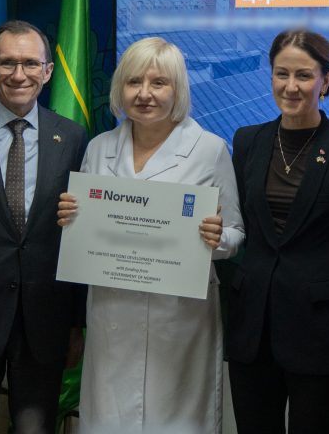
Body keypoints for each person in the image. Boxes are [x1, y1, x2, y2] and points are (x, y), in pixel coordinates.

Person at [57, 36, 244, 434]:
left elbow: (235, 234)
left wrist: (217, 240)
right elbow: (85, 232)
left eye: (159, 83)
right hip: (112, 314)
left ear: (178, 89)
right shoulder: (98, 148)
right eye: (133, 82)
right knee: (109, 420)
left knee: (177, 419)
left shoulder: (209, 149)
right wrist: (72, 218)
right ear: (119, 88)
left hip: (180, 318)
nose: (144, 94)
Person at [0, 20, 88, 433]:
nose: (18, 74)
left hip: (44, 324)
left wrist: (75, 324)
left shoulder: (73, 138)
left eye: (30, 63)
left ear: (48, 70)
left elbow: (78, 240)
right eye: (7, 63)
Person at [226, 29, 329, 434]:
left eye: (304, 75)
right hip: (253, 330)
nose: (290, 86)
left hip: (322, 334)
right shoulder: (247, 141)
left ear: (326, 80)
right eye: (282, 73)